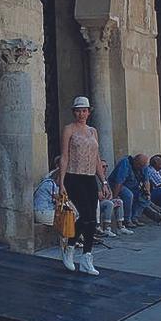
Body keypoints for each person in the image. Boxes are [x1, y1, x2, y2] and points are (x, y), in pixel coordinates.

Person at [59, 95, 102, 276]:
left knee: (92, 219)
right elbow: (65, 156)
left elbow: (97, 157)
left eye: (84, 110)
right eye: (78, 110)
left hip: (90, 177)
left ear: (89, 112)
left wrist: (104, 181)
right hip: (74, 177)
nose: (81, 114)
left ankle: (87, 257)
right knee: (84, 215)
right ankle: (69, 248)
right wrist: (61, 182)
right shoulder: (69, 129)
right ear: (74, 112)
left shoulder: (93, 131)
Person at [108, 153, 149, 227]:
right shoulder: (125, 163)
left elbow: (146, 180)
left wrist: (147, 192)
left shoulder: (143, 166)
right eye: (139, 165)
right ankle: (127, 220)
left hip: (133, 186)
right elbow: (119, 182)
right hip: (117, 185)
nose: (141, 167)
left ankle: (135, 218)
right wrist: (114, 197)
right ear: (135, 161)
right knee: (128, 195)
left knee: (144, 197)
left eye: (143, 165)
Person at [34, 156, 63, 226]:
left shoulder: (46, 182)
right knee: (66, 217)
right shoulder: (51, 185)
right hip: (42, 213)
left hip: (38, 212)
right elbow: (59, 201)